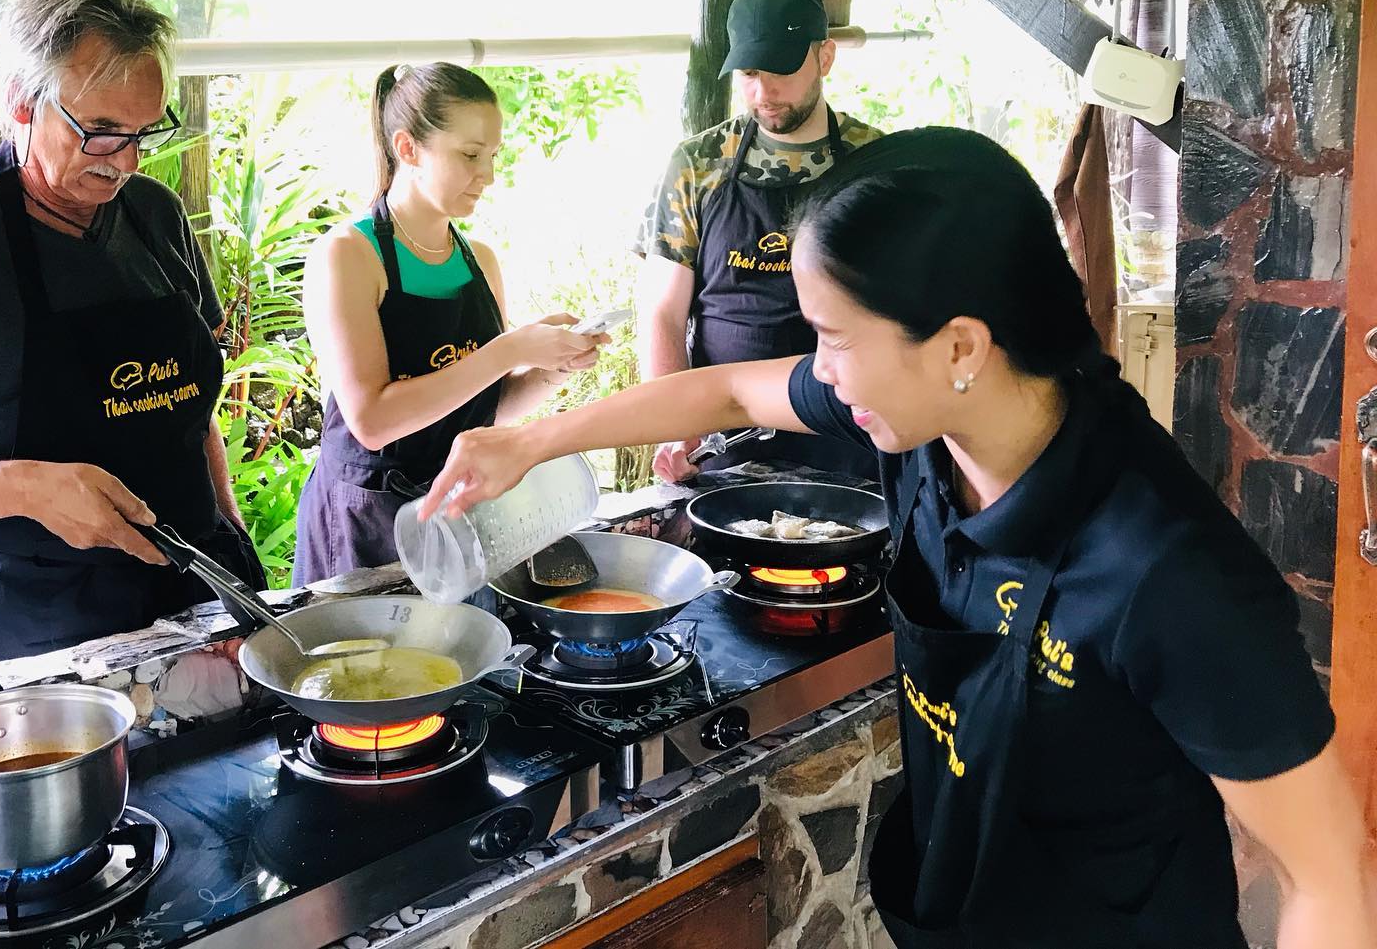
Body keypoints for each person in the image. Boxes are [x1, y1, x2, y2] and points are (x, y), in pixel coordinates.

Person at [421, 128, 1375, 947]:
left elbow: (1328, 877)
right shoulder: (927, 428)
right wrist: (529, 440)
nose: (820, 372)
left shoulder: (1168, 569)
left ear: (961, 345)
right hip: (968, 909)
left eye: (835, 337)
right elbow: (723, 388)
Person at [0, 0, 265, 661]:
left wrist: (227, 527)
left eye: (144, 132)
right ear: (20, 103)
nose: (126, 161)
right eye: (101, 133)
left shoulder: (155, 213)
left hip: (194, 589)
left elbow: (192, 407)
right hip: (43, 621)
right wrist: (26, 486)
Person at [292, 63, 603, 586]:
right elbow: (371, 420)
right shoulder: (347, 254)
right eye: (469, 155)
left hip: (456, 508)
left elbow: (488, 410)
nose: (488, 174)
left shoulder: (478, 258)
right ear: (408, 148)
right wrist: (509, 349)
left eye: (492, 156)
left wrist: (555, 368)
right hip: (366, 518)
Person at [633, 0, 882, 483]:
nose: (762, 91)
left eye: (781, 71)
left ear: (825, 57)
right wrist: (675, 423)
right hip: (724, 436)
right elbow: (661, 311)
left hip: (848, 427)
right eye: (748, 73)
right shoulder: (697, 164)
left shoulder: (875, 163)